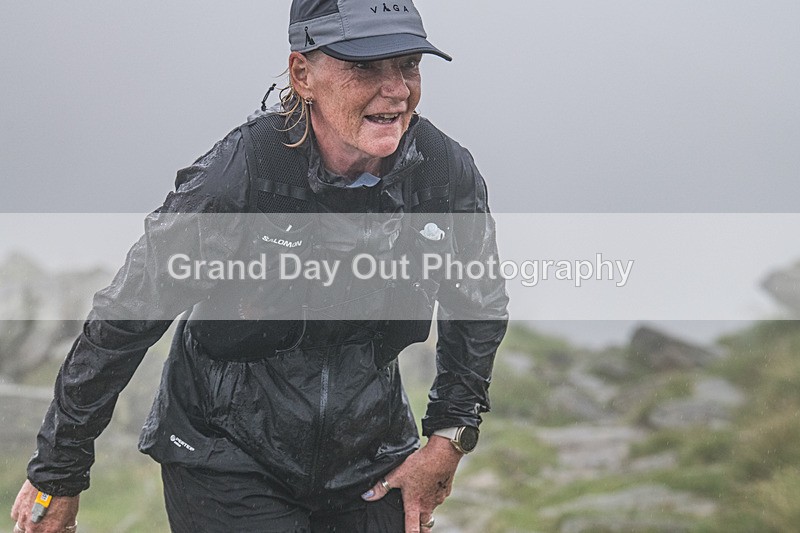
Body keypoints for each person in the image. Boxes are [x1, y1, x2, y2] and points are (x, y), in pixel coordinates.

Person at [10, 1, 509, 532]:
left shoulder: (443, 175)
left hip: (369, 456)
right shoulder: (240, 178)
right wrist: (57, 475)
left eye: (408, 65)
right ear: (302, 75)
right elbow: (125, 319)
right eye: (364, 66)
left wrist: (447, 440)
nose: (397, 89)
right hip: (225, 456)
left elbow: (478, 304)